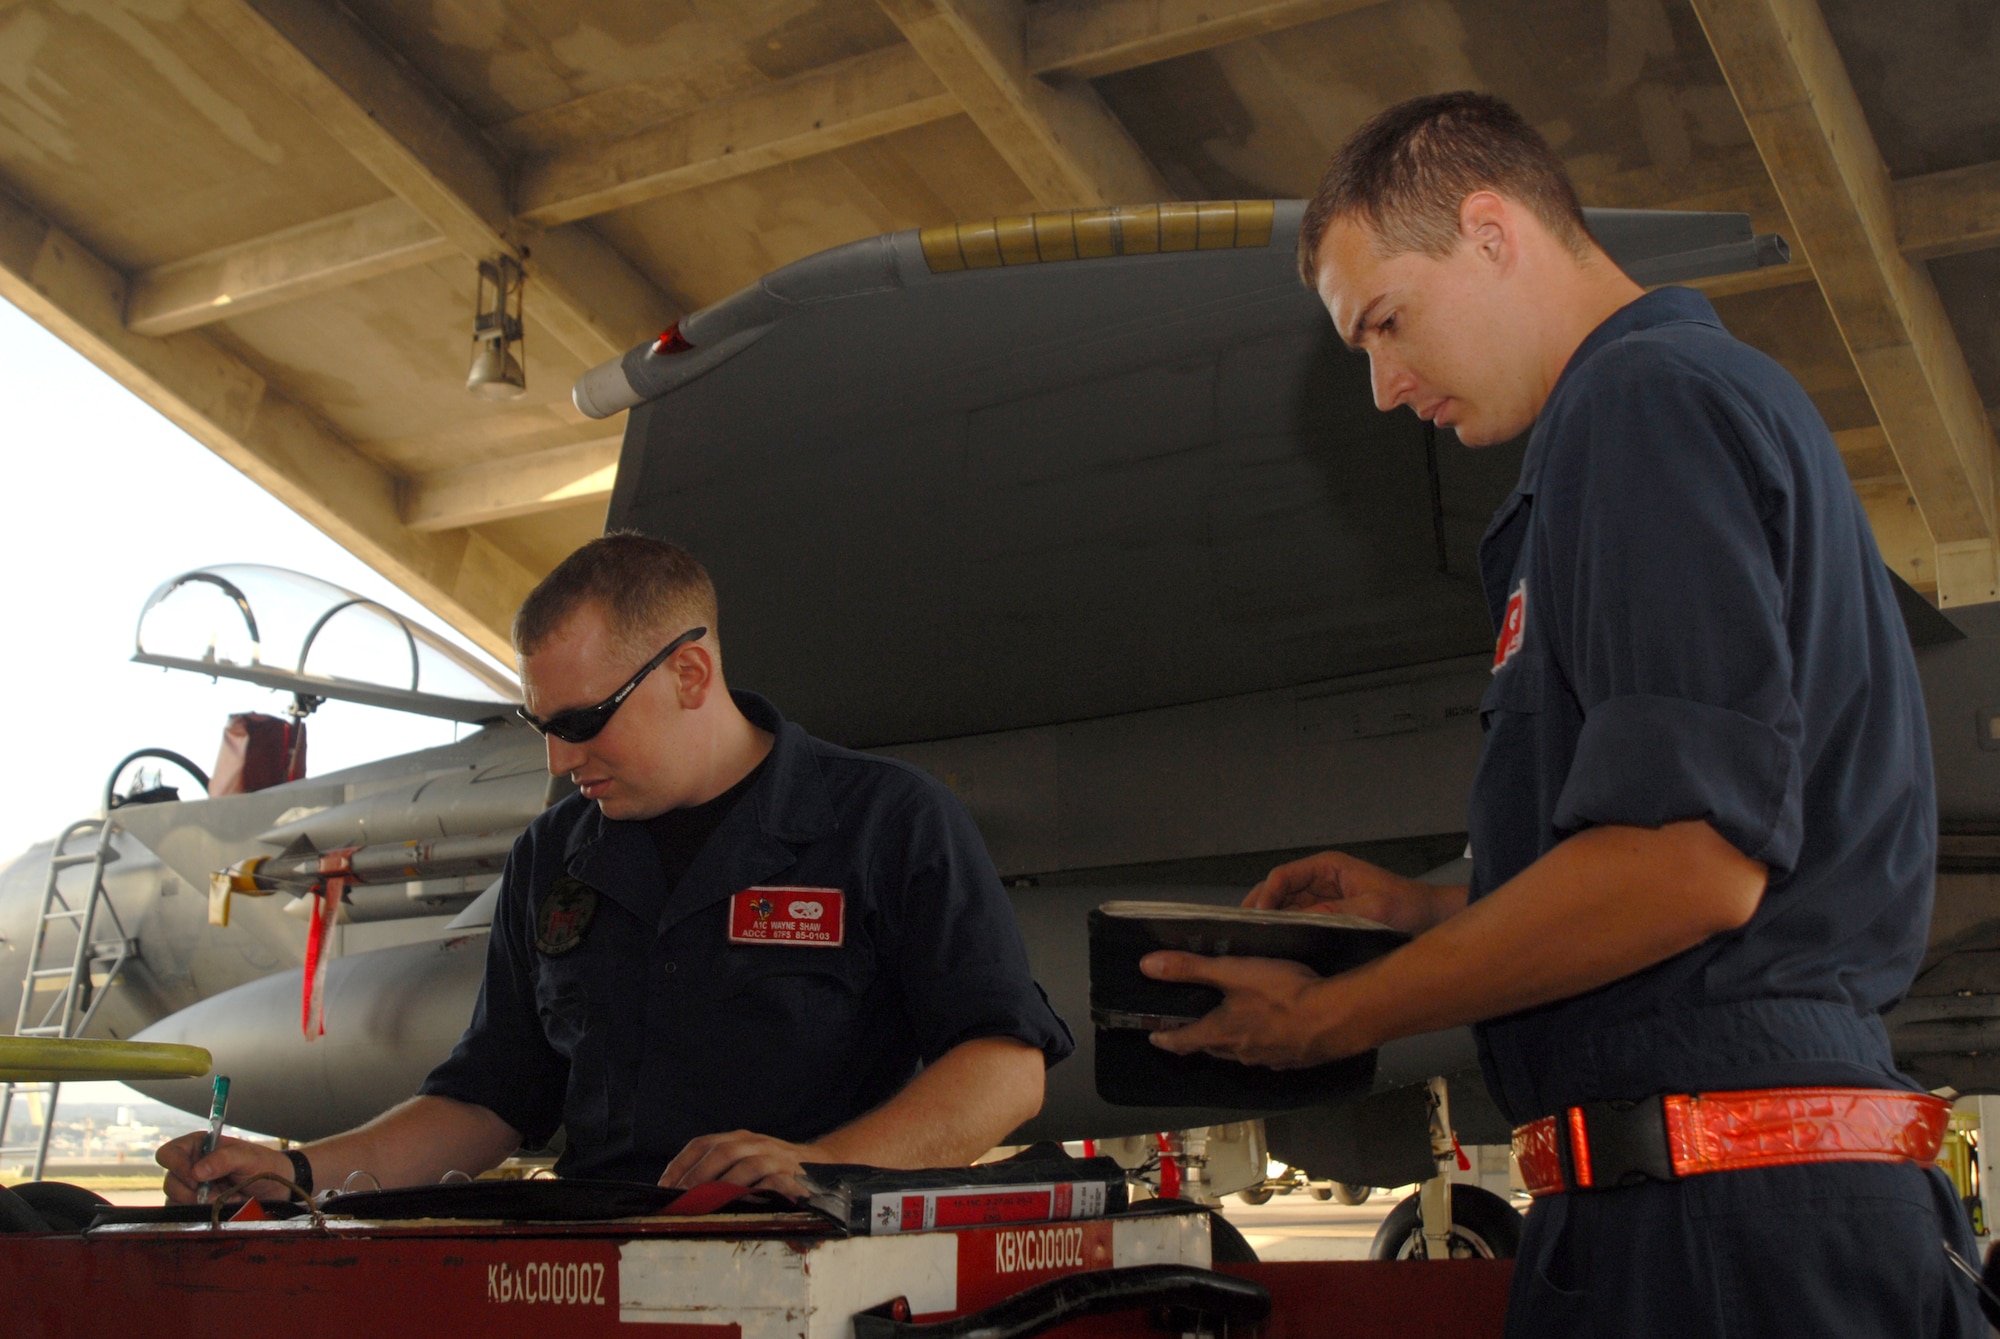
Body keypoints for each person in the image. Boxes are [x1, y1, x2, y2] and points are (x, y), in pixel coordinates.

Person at [1140, 93, 1981, 1335]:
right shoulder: (1688, 404)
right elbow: (1723, 838)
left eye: (1384, 323)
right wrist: (1421, 909)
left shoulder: (1637, 403)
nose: (1380, 387)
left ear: (1488, 231)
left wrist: (1336, 1016)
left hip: (1716, 1233)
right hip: (1728, 1207)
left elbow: (1685, 869)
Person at [161, 533, 1071, 1201]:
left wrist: (822, 1167)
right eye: (542, 726)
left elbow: (1003, 1063)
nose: (560, 760)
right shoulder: (552, 858)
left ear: (688, 674)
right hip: (598, 1266)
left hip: (816, 1268)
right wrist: (300, 1170)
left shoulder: (885, 822)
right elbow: (488, 1101)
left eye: (583, 722)